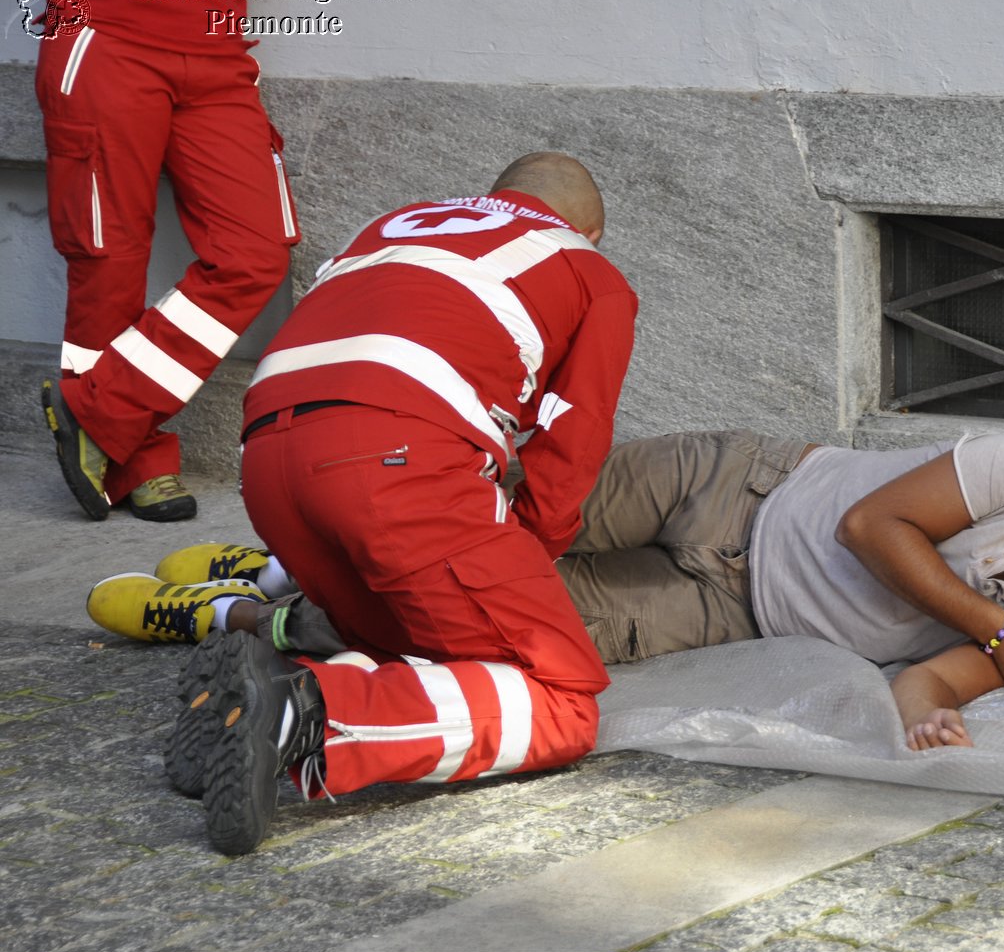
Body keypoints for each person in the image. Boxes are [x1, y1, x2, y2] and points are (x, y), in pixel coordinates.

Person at [94, 152, 637, 856]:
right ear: (588, 230)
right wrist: (525, 559)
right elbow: (574, 445)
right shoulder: (587, 270)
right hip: (393, 460)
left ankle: (251, 698)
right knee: (562, 696)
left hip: (267, 460)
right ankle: (305, 713)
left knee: (411, 648)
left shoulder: (390, 228)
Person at [97, 428, 1004, 764]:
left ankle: (248, 613)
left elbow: (941, 673)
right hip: (738, 490)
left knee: (479, 615)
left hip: (724, 609)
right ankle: (276, 557)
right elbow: (871, 526)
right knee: (509, 513)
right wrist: (1000, 622)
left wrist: (931, 714)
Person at [34, 0, 300, 522]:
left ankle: (102, 414)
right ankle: (137, 460)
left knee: (254, 255)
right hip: (105, 38)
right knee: (108, 257)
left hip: (216, 56)